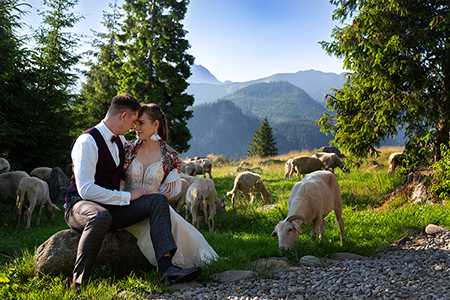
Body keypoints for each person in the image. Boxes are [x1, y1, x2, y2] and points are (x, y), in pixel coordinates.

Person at [64, 93, 201, 292]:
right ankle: (78, 284)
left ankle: (166, 269)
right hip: (79, 206)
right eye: (133, 121)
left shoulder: (120, 141)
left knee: (156, 201)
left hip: (113, 208)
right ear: (124, 116)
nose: (133, 127)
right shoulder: (87, 142)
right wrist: (127, 197)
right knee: (100, 216)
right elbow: (86, 190)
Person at [122, 103, 218, 268]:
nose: (136, 127)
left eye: (141, 123)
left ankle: (178, 265)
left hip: (154, 207)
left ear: (156, 125)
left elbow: (168, 192)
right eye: (135, 123)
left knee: (172, 220)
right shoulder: (127, 149)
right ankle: (170, 266)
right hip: (126, 205)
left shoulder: (170, 156)